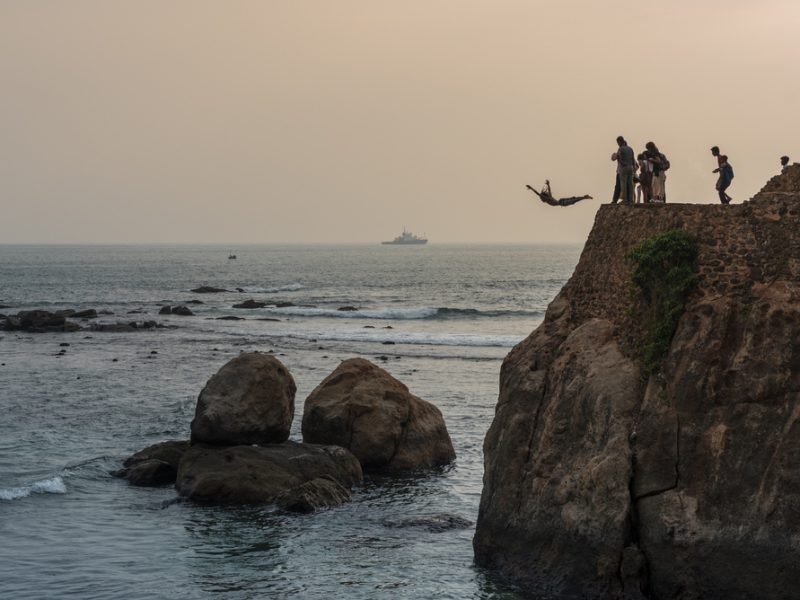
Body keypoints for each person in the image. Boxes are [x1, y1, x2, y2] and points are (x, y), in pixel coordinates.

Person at [526, 180, 592, 206]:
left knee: (573, 200)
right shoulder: (549, 197)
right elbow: (549, 190)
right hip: (560, 201)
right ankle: (584, 197)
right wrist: (548, 184)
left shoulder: (545, 198)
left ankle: (585, 197)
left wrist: (531, 188)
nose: (541, 200)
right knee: (573, 200)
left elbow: (537, 193)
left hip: (561, 202)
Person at [612, 136, 636, 205]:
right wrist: (633, 167)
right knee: (630, 184)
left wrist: (622, 163)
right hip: (630, 167)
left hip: (624, 168)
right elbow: (632, 158)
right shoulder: (630, 148)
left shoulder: (620, 149)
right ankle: (631, 199)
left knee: (623, 184)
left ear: (619, 142)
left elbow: (616, 157)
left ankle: (625, 200)